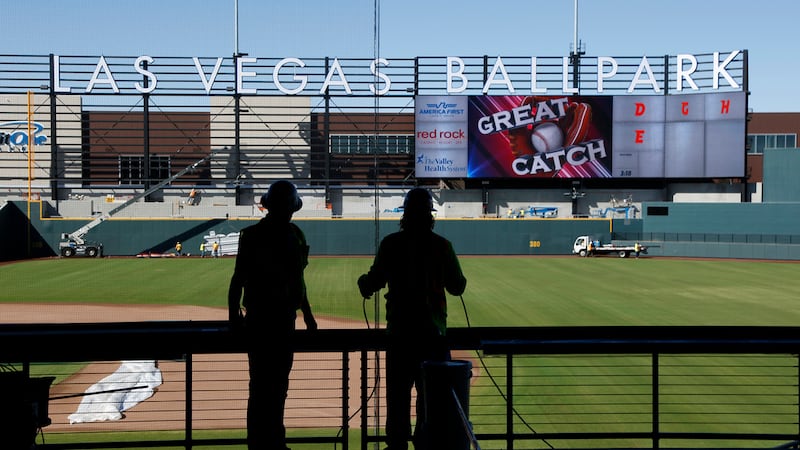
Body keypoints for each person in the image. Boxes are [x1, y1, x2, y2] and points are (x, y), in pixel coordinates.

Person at [357, 187, 467, 450]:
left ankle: (396, 446)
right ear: (430, 215)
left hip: (400, 335)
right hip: (434, 336)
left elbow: (373, 282)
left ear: (405, 214)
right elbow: (457, 287)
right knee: (431, 401)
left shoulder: (391, 244)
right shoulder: (442, 246)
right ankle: (426, 445)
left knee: (397, 399)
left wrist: (364, 282)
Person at [227, 180, 318, 450]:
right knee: (276, 387)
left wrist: (235, 318)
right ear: (291, 207)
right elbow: (297, 281)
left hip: (258, 320)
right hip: (279, 322)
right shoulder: (295, 235)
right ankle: (274, 443)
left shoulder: (252, 235)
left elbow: (237, 281)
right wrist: (309, 317)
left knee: (261, 387)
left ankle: (260, 444)